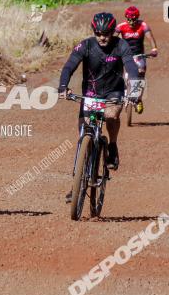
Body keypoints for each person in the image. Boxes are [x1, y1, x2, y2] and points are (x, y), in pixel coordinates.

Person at [58, 12, 143, 176]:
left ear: (113, 32)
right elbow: (69, 66)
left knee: (111, 116)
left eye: (106, 34)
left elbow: (131, 68)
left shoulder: (121, 45)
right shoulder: (85, 45)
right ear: (93, 31)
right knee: (84, 134)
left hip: (114, 92)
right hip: (90, 93)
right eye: (98, 34)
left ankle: (112, 145)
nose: (102, 37)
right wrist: (63, 86)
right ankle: (79, 182)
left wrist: (134, 91)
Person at [115, 6, 159, 114]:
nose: (131, 22)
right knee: (119, 74)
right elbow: (112, 38)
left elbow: (150, 38)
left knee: (141, 73)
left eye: (134, 19)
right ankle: (121, 92)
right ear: (126, 18)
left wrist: (154, 49)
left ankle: (138, 99)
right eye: (129, 19)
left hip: (139, 55)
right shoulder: (121, 26)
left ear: (137, 18)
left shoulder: (143, 26)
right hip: (125, 55)